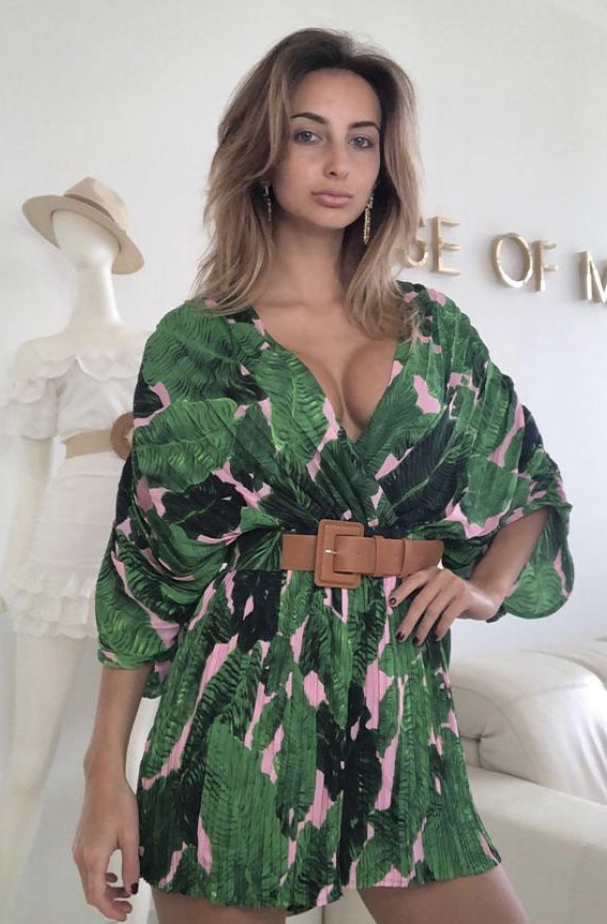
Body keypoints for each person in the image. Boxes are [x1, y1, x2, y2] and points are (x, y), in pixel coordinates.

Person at [72, 26, 574, 924]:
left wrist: (487, 588)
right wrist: (103, 775)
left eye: (361, 139)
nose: (337, 163)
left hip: (401, 692)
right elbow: (145, 569)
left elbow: (526, 479)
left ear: (384, 164)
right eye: (308, 134)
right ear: (262, 153)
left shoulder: (434, 328)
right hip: (239, 700)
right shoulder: (199, 340)